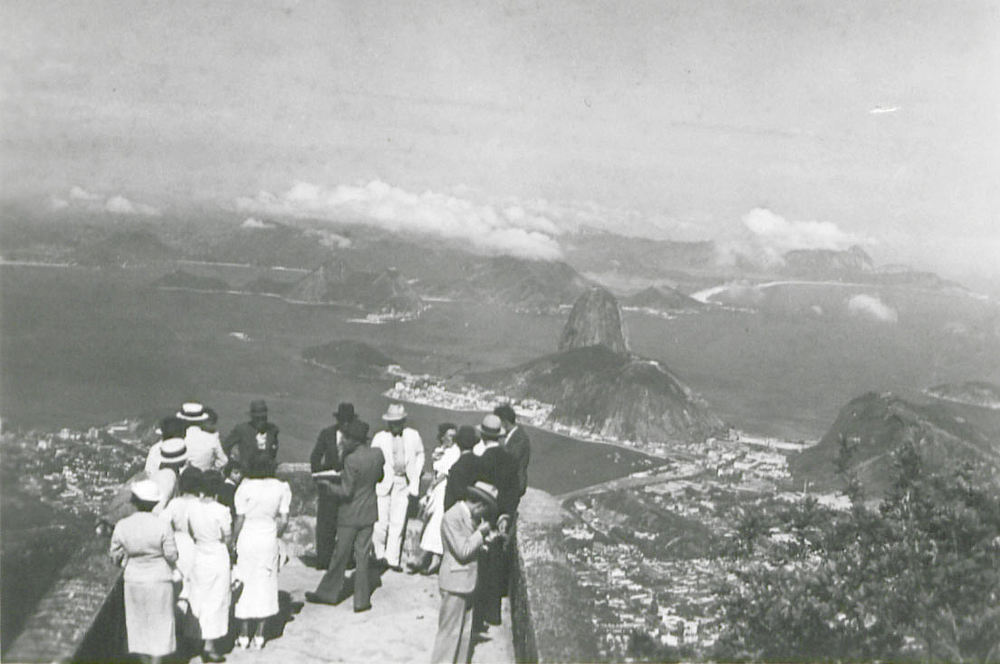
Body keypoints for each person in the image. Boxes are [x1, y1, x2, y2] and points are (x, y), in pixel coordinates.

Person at [305, 419, 385, 612]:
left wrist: (328, 486)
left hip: (349, 515)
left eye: (346, 438)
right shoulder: (377, 454)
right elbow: (380, 477)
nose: (343, 441)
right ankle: (361, 600)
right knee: (363, 557)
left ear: (354, 440)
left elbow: (346, 492)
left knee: (339, 555)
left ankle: (328, 593)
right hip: (369, 512)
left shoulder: (351, 460)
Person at [109, 479, 179, 664]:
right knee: (160, 624)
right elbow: (172, 555)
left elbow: (115, 556)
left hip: (134, 579)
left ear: (134, 501)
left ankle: (144, 661)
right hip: (159, 579)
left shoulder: (122, 525)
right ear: (154, 503)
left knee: (138, 624)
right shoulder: (162, 525)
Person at [429, 481, 499, 664]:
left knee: (464, 634)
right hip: (454, 583)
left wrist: (483, 543)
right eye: (485, 509)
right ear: (479, 504)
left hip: (467, 582)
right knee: (449, 635)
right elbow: (463, 550)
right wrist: (481, 534)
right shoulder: (452, 517)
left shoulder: (468, 516)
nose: (484, 515)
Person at [232, 453, 291, 650]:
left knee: (245, 583)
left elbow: (239, 519)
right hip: (267, 537)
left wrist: (232, 540)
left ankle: (243, 634)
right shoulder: (281, 487)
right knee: (266, 582)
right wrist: (275, 534)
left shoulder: (244, 487)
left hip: (247, 537)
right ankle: (259, 635)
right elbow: (284, 519)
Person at [472, 414, 519, 632]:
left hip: (481, 516)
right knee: (496, 563)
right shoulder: (510, 459)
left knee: (479, 565)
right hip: (501, 516)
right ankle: (494, 613)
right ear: (500, 436)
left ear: (482, 434)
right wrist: (505, 515)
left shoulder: (479, 458)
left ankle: (478, 613)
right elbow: (513, 491)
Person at [186, 470, 233, 662]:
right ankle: (210, 645)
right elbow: (228, 537)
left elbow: (190, 530)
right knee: (216, 599)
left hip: (198, 553)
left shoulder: (191, 507)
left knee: (197, 596)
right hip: (217, 554)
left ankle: (195, 639)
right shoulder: (222, 511)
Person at [371, 404, 424, 571]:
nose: (394, 425)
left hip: (402, 483)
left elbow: (420, 454)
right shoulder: (380, 437)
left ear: (403, 421)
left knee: (398, 522)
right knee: (380, 522)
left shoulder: (413, 436)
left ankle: (391, 559)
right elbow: (372, 459)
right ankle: (378, 556)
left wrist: (415, 474)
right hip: (383, 483)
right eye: (391, 422)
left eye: (398, 422)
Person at [159, 466, 204, 646]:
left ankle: (174, 634)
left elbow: (162, 522)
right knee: (195, 590)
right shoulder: (201, 504)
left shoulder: (175, 503)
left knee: (177, 590)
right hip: (196, 546)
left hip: (178, 543)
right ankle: (192, 634)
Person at [310, 402, 356, 570]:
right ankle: (323, 560)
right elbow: (315, 458)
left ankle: (347, 561)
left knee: (346, 525)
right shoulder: (327, 434)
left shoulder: (354, 437)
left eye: (348, 421)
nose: (345, 424)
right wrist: (325, 474)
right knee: (325, 524)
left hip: (347, 486)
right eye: (343, 421)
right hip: (329, 485)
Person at [410, 423, 459, 574]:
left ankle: (432, 560)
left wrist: (431, 488)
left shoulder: (455, 451)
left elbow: (444, 473)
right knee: (430, 521)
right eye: (450, 435)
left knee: (436, 522)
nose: (453, 438)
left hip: (443, 488)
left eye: (454, 435)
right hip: (437, 488)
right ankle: (428, 559)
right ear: (443, 436)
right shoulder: (441, 450)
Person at [495, 404, 530, 597]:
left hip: (512, 490)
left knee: (504, 534)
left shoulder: (519, 439)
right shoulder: (514, 436)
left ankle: (501, 585)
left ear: (504, 421)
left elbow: (509, 461)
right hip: (509, 489)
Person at [224, 400, 279, 466]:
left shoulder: (272, 429)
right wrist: (233, 464)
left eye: (263, 418)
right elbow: (226, 446)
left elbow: (274, 448)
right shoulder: (242, 429)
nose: (261, 421)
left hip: (269, 472)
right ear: (252, 417)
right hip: (247, 472)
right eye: (257, 418)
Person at [177, 402, 228, 472]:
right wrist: (211, 469)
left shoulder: (178, 437)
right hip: (204, 477)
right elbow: (223, 461)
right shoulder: (212, 438)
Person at [443, 426, 483, 512]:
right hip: (477, 510)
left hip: (457, 512)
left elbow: (452, 498)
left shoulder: (457, 467)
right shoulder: (481, 463)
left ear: (458, 444)